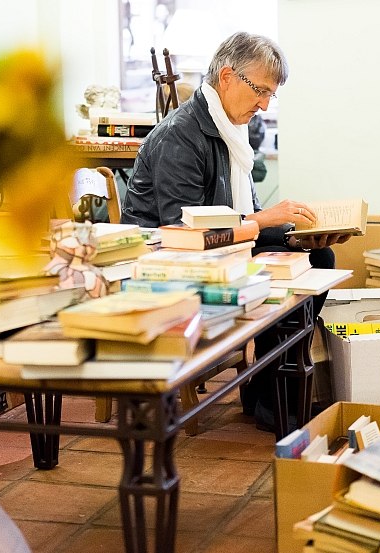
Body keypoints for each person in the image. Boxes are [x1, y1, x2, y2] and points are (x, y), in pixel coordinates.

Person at [120, 32, 350, 431]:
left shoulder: (229, 129)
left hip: (220, 247)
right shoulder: (181, 135)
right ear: (227, 77)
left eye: (270, 95)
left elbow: (247, 214)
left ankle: (267, 391)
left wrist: (300, 235)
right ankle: (272, 398)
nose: (264, 104)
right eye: (260, 90)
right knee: (281, 269)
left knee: (318, 256)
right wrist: (263, 222)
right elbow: (184, 234)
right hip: (163, 259)